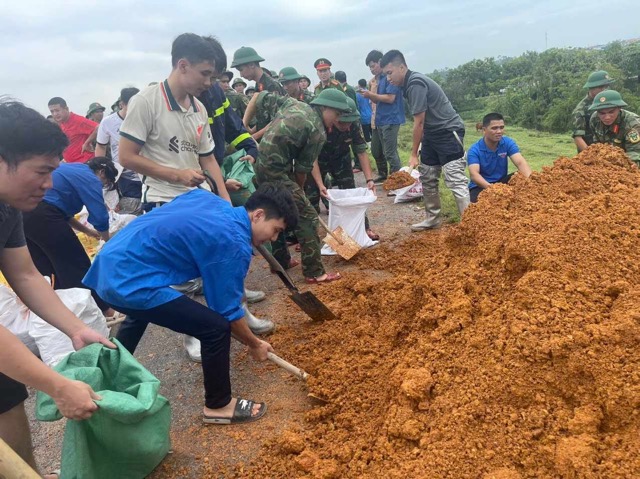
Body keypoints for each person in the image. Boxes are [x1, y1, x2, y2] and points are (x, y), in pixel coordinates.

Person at [84, 184, 297, 425]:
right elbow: (226, 312)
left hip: (109, 263)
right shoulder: (232, 242)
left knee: (139, 313)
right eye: (275, 230)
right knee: (214, 328)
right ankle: (218, 405)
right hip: (129, 281)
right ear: (258, 214)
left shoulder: (210, 200)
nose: (274, 238)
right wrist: (254, 343)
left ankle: (111, 373)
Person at [0, 100, 114, 479]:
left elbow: (26, 275)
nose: (50, 184)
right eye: (42, 171)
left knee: (7, 392)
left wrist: (76, 328)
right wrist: (59, 386)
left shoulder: (8, 206)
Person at [255, 89, 351, 283]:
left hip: (261, 166)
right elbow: (301, 170)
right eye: (337, 113)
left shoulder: (296, 104)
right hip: (276, 172)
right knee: (307, 216)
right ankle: (315, 272)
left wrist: (246, 128)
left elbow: (261, 96)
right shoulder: (318, 131)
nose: (337, 118)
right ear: (325, 107)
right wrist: (298, 193)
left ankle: (280, 261)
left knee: (277, 211)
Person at [380, 49, 470, 231]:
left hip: (447, 131)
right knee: (427, 176)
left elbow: (418, 122)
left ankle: (469, 225)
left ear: (402, 67)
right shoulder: (407, 85)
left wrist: (413, 154)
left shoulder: (415, 84)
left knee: (454, 178)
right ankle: (432, 218)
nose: (388, 79)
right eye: (385, 75)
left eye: (390, 73)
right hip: (431, 133)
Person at [22, 157, 117, 314]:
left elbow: (63, 213)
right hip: (44, 215)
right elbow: (100, 215)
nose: (102, 185)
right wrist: (108, 241)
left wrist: (87, 231)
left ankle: (63, 312)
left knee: (48, 268)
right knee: (75, 263)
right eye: (105, 181)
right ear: (101, 172)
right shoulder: (89, 177)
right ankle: (102, 310)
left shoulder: (71, 169)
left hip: (23, 215)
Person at [304, 97, 380, 240]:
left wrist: (369, 179)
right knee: (311, 196)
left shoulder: (353, 125)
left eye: (348, 123)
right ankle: (309, 238)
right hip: (317, 161)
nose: (345, 126)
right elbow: (311, 158)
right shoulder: (318, 125)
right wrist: (320, 184)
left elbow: (361, 151)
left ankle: (364, 229)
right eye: (341, 123)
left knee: (351, 194)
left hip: (341, 158)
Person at [95, 87, 143, 215]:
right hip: (123, 175)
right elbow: (101, 146)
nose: (136, 111)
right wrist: (100, 170)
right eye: (132, 107)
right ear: (122, 104)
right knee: (131, 211)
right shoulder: (108, 122)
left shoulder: (146, 118)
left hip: (147, 172)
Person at [467, 113, 532, 203]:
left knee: (519, 175)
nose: (499, 131)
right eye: (494, 128)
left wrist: (531, 182)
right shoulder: (474, 150)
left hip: (502, 182)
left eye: (501, 127)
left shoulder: (507, 142)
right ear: (484, 130)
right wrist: (494, 189)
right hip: (481, 186)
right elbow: (474, 175)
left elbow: (520, 163)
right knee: (480, 205)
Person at [363, 50, 404, 181]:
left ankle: (398, 180)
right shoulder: (376, 81)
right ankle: (384, 175)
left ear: (380, 62)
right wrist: (370, 94)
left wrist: (371, 95)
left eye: (373, 65)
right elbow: (375, 100)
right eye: (369, 67)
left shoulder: (389, 78)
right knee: (377, 150)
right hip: (380, 119)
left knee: (390, 153)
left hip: (391, 119)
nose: (371, 69)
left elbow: (390, 98)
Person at [588, 90, 640, 165]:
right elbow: (598, 146)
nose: (607, 117)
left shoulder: (632, 124)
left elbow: (635, 154)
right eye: (602, 113)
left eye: (611, 112)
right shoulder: (594, 120)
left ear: (619, 108)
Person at [572, 70, 615, 152]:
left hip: (609, 152)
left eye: (606, 87)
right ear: (591, 88)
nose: (605, 90)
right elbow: (577, 137)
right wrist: (592, 156)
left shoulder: (610, 103)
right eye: (601, 87)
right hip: (590, 153)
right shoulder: (581, 109)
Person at [48, 97, 98, 163]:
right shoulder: (61, 123)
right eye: (52, 111)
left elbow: (99, 127)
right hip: (70, 163)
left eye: (57, 110)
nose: (55, 114)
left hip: (84, 162)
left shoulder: (78, 120)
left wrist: (87, 142)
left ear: (66, 109)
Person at [356, 79, 372, 143]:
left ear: (359, 85)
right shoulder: (370, 92)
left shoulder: (358, 95)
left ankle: (370, 146)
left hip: (363, 117)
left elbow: (358, 107)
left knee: (366, 134)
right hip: (371, 115)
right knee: (373, 132)